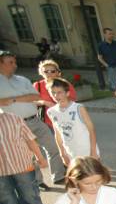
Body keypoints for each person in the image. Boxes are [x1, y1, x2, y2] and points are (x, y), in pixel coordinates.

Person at [0, 51, 66, 187]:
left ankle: (58, 176)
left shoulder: (22, 80)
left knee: (53, 147)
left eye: (14, 62)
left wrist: (12, 99)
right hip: (14, 125)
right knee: (28, 154)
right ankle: (39, 181)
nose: (15, 65)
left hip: (34, 120)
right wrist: (21, 98)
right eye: (10, 63)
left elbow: (35, 96)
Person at [0, 110, 54, 204]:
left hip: (22, 164)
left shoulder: (14, 118)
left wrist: (40, 157)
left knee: (30, 192)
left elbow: (30, 139)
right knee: (6, 198)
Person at [46, 79, 99, 165]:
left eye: (59, 92)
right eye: (53, 92)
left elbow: (91, 130)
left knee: (94, 176)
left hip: (87, 150)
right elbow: (58, 134)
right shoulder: (51, 112)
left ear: (67, 93)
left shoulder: (78, 108)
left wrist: (93, 151)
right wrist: (62, 153)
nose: (56, 95)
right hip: (71, 153)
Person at [33, 59, 77, 129]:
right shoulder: (37, 85)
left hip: (65, 119)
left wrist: (56, 105)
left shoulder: (64, 84)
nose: (49, 73)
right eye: (46, 71)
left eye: (52, 71)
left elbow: (72, 100)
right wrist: (44, 102)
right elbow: (32, 102)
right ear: (41, 72)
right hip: (46, 122)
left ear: (57, 72)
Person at [97, 28, 116, 100]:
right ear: (105, 34)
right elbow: (99, 57)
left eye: (112, 34)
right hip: (111, 68)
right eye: (109, 34)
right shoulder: (101, 45)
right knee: (114, 85)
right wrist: (106, 65)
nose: (112, 35)